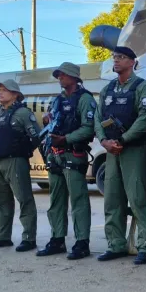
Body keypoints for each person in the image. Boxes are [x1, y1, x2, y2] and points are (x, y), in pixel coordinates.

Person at [94, 46, 146, 263]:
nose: (116, 61)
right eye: (114, 57)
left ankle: (145, 246)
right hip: (112, 151)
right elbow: (97, 117)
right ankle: (116, 245)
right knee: (112, 199)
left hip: (135, 150)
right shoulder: (107, 89)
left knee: (139, 198)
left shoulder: (144, 88)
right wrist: (104, 141)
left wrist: (123, 139)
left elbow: (145, 118)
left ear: (133, 61)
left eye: (121, 57)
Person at [36, 62, 96, 260]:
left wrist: (66, 139)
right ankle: (57, 239)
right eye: (58, 75)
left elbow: (89, 128)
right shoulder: (57, 100)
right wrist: (47, 121)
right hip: (55, 154)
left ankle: (82, 242)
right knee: (56, 199)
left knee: (78, 200)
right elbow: (54, 121)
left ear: (73, 77)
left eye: (63, 75)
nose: (59, 78)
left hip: (73, 153)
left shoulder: (85, 99)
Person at [0, 79, 41, 251]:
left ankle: (29, 238)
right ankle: (2, 236)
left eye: (4, 90)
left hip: (16, 161)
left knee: (24, 199)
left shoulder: (22, 113)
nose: (0, 93)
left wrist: (24, 149)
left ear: (15, 94)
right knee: (0, 199)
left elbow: (37, 136)